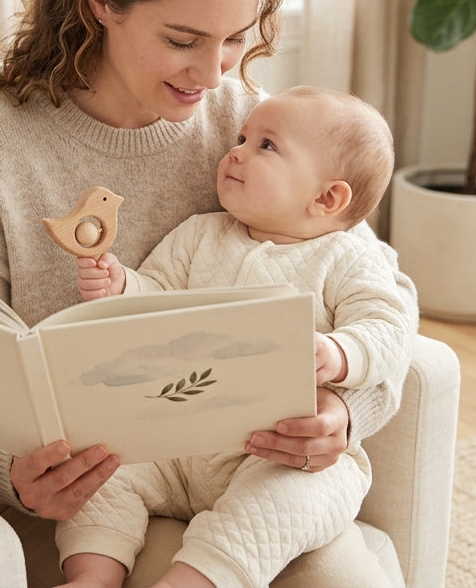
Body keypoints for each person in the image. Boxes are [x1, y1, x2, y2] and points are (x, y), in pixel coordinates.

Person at [0, 0, 413, 586]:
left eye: (235, 40)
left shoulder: (247, 127)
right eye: (183, 40)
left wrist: (344, 411)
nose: (212, 74)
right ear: (101, 0)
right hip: (94, 493)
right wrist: (13, 472)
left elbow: (361, 278)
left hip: (251, 476)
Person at [58, 86, 414, 588]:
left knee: (288, 500)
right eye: (242, 138)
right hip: (171, 442)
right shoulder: (200, 234)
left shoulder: (348, 259)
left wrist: (338, 353)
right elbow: (155, 300)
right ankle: (92, 574)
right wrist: (120, 287)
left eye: (265, 146)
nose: (236, 151)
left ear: (327, 198)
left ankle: (194, 580)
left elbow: (388, 326)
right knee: (102, 465)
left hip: (274, 454)